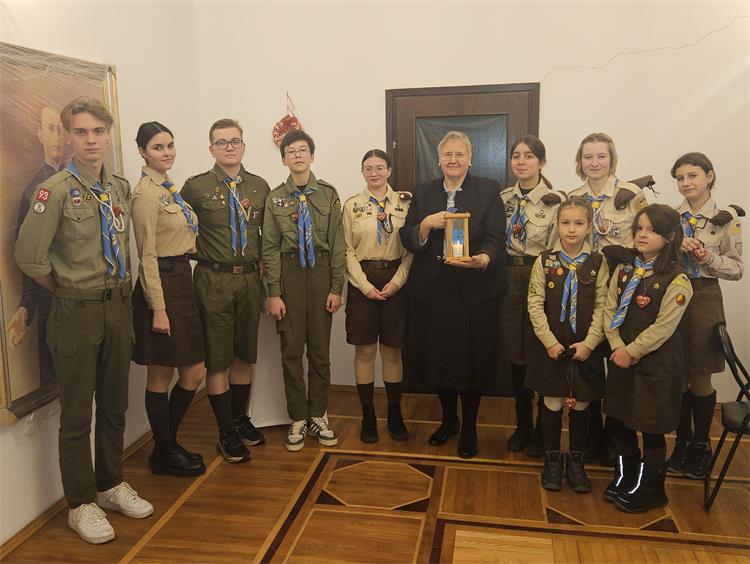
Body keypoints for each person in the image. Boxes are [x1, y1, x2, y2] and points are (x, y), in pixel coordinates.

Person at [15, 97, 153, 544]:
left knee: (114, 404)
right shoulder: (53, 191)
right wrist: (66, 287)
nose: (90, 140)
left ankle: (110, 483)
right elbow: (29, 257)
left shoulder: (118, 187)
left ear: (107, 135)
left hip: (117, 307)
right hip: (75, 311)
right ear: (68, 136)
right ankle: (81, 503)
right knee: (77, 414)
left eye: (98, 131)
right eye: (80, 132)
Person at [400, 130, 506, 459]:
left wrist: (483, 259)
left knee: (472, 362)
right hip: (433, 292)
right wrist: (425, 225)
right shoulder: (423, 192)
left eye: (460, 154)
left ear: (470, 159)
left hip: (473, 291)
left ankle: (470, 428)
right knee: (439, 359)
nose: (453, 160)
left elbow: (496, 239)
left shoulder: (487, 190)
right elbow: (407, 237)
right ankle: (449, 421)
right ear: (438, 159)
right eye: (447, 154)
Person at [180, 119, 270, 463]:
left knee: (244, 354)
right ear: (211, 148)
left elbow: (267, 235)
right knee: (218, 358)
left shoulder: (259, 186)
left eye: (235, 141)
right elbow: (178, 228)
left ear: (244, 146)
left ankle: (239, 418)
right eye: (222, 142)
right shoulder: (196, 187)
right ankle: (225, 430)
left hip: (248, 279)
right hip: (213, 279)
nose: (229, 147)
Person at [602, 204, 693, 513]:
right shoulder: (624, 270)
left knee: (650, 426)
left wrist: (632, 351)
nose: (642, 234)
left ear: (669, 237)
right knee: (620, 419)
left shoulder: (677, 280)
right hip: (621, 359)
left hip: (656, 364)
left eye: (652, 230)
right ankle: (625, 477)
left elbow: (664, 327)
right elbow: (610, 311)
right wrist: (618, 347)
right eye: (639, 228)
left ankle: (652, 489)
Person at [262, 130, 346, 452]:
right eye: (291, 151)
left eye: (302, 150)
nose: (297, 155)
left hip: (321, 272)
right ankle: (298, 416)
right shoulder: (275, 198)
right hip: (290, 275)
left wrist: (336, 287)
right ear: (284, 159)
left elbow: (338, 244)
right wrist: (274, 292)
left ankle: (319, 415)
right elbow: (270, 248)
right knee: (291, 351)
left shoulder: (328, 193)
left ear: (312, 155)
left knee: (320, 352)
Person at [131, 122, 206, 477]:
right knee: (161, 375)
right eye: (158, 147)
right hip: (160, 285)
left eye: (170, 145)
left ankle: (166, 446)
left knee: (194, 371)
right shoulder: (146, 194)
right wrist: (157, 309)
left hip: (181, 281)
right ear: (143, 152)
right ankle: (165, 452)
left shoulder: (168, 188)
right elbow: (146, 255)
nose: (167, 152)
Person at [568, 132, 648, 467]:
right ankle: (590, 437)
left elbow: (647, 238)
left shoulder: (632, 195)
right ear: (580, 161)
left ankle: (618, 438)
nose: (594, 162)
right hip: (586, 289)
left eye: (601, 156)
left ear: (611, 159)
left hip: (623, 290)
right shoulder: (573, 197)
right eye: (588, 157)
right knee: (588, 364)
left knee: (618, 366)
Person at [667, 152, 743, 479]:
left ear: (709, 176)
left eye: (692, 175)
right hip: (672, 295)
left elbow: (736, 269)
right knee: (677, 373)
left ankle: (701, 446)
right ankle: (681, 443)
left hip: (704, 296)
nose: (686, 183)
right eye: (680, 178)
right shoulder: (670, 217)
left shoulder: (726, 219)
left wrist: (706, 257)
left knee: (700, 374)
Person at [527, 197, 609, 492]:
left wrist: (590, 343)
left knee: (582, 404)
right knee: (551, 401)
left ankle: (576, 461)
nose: (571, 229)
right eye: (565, 223)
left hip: (585, 349)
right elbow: (534, 304)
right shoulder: (544, 261)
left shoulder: (598, 263)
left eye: (578, 223)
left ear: (589, 228)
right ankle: (552, 460)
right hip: (552, 348)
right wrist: (549, 342)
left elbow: (603, 307)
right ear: (556, 225)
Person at [499, 135, 565, 457]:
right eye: (516, 156)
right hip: (508, 277)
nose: (521, 161)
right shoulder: (503, 199)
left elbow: (560, 247)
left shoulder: (556, 201)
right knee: (515, 352)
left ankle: (542, 427)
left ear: (541, 162)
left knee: (541, 350)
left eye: (528, 156)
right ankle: (522, 423)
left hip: (542, 276)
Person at [342, 149, 413, 443]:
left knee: (393, 351)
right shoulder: (352, 206)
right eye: (368, 168)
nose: (374, 173)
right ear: (362, 172)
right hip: (363, 281)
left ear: (389, 171)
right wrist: (364, 285)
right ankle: (368, 416)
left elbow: (411, 250)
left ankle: (395, 415)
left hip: (396, 279)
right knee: (365, 351)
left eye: (380, 167)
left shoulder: (404, 203)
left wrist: (397, 282)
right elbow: (346, 250)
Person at [7, 106, 66, 387]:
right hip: (52, 298)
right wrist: (26, 307)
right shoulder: (35, 191)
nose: (58, 137)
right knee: (58, 380)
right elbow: (27, 254)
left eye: (62, 129)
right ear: (40, 134)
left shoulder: (83, 181)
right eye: (51, 129)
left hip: (88, 296)